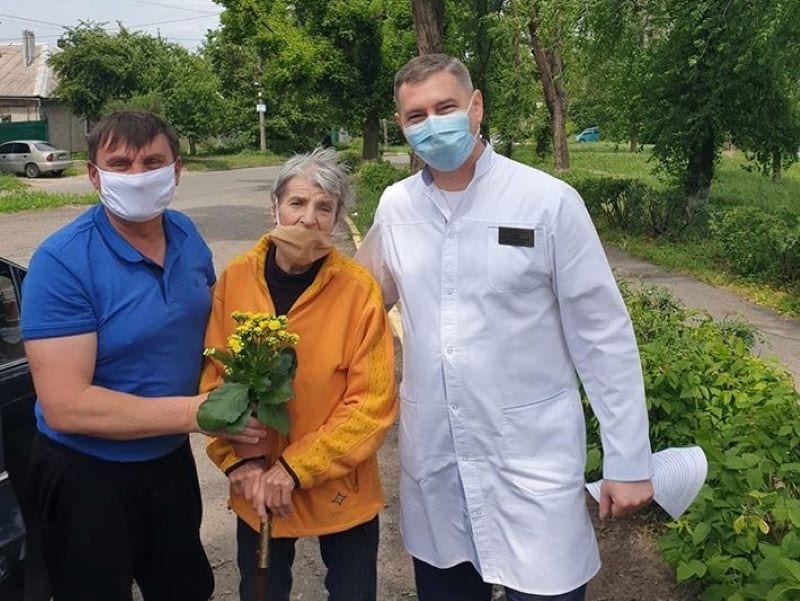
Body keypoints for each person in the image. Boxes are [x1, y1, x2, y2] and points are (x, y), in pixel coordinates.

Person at [356, 54, 655, 601]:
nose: (432, 123)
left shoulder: (546, 202)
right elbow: (357, 307)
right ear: (400, 125)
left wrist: (629, 460)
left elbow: (602, 337)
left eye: (445, 107)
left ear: (476, 107)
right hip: (437, 460)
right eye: (416, 115)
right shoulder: (396, 207)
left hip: (529, 460)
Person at [20, 110, 265, 601]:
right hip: (86, 475)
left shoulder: (187, 236)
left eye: (152, 161)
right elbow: (67, 404)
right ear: (94, 174)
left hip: (166, 459)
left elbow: (217, 333)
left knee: (185, 587)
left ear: (176, 170)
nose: (137, 175)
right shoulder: (62, 262)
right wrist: (199, 413)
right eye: (120, 162)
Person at [202, 147, 397, 601]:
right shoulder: (235, 280)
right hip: (256, 483)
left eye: (324, 207)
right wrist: (239, 463)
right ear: (274, 207)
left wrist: (294, 468)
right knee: (261, 590)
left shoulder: (357, 290)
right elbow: (214, 381)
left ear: (336, 218)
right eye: (297, 203)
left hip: (340, 486)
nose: (309, 219)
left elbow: (372, 402)